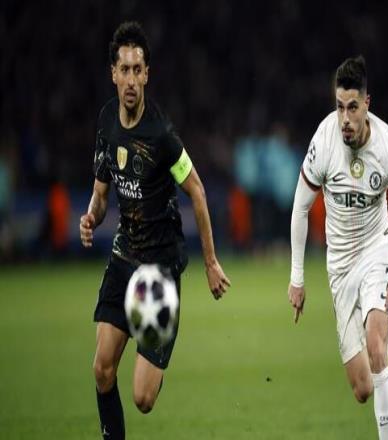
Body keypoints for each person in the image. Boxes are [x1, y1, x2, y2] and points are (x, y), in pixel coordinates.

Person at [79, 22, 231, 439]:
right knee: (102, 369)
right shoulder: (107, 121)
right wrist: (91, 217)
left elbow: (197, 190)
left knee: (143, 399)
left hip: (160, 269)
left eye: (137, 70)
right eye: (124, 70)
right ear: (113, 73)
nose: (130, 79)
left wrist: (211, 263)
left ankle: (158, 348)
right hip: (124, 258)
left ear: (147, 74)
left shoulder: (161, 135)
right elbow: (101, 192)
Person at [288, 55, 388, 440]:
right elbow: (300, 207)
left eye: (352, 107)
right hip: (340, 266)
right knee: (363, 388)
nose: (344, 118)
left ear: (367, 103)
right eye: (339, 107)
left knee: (376, 349)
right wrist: (297, 278)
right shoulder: (324, 141)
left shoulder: (387, 146)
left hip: (376, 251)